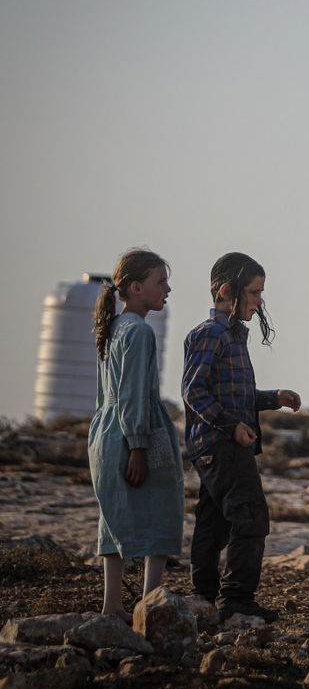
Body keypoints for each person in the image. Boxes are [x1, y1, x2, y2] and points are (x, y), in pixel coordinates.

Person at [182, 252, 302, 623]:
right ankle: (236, 599)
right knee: (250, 517)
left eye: (260, 292)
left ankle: (204, 596)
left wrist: (272, 399)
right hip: (221, 445)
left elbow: (234, 395)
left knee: (214, 520)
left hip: (218, 445)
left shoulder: (233, 336)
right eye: (253, 292)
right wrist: (230, 426)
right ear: (226, 291)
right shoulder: (211, 334)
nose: (259, 301)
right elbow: (193, 390)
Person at [89, 249, 182, 621]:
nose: (168, 289)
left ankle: (113, 606)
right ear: (136, 287)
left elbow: (105, 396)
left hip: (105, 433)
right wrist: (139, 447)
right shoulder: (139, 331)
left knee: (114, 517)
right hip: (136, 432)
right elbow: (131, 394)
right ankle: (150, 605)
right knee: (163, 509)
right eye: (161, 282)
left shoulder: (112, 327)